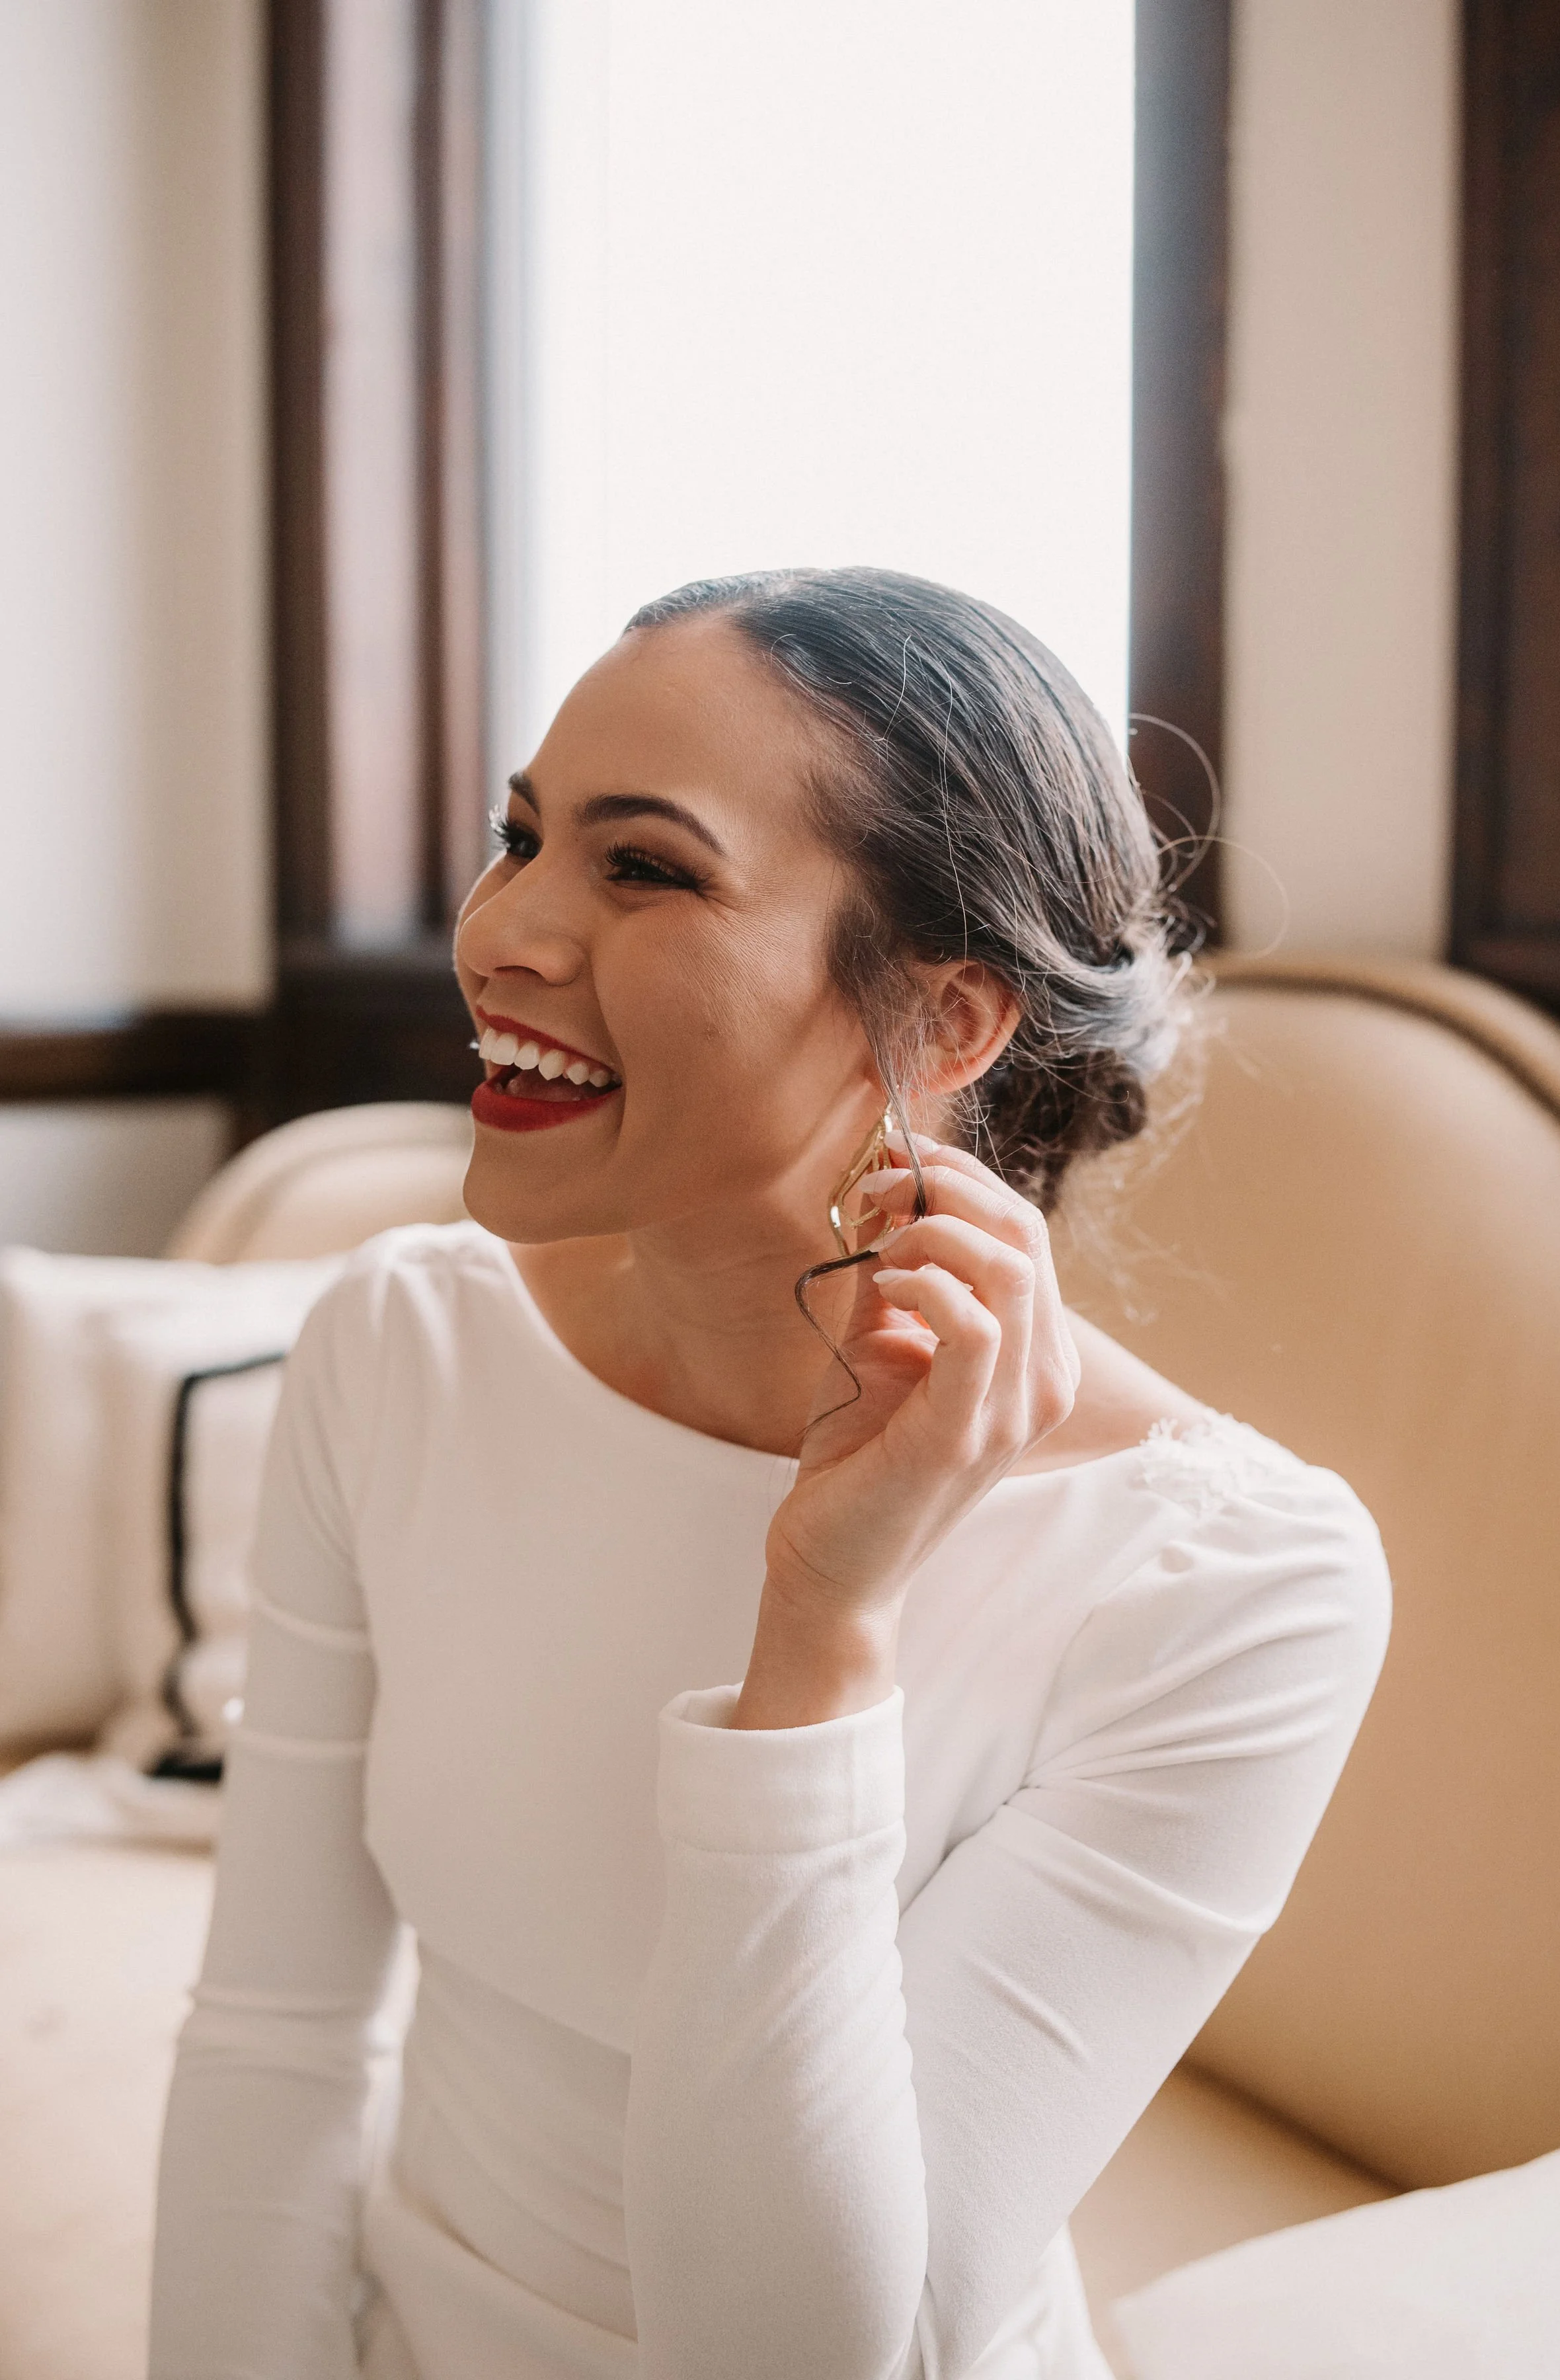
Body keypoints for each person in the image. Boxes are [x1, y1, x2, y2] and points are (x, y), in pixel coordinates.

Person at [148, 568, 1389, 2380]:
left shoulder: (1238, 1587)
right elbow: (272, 2037)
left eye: (644, 867)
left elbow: (813, 2349)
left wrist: (821, 1628)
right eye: (522, 837)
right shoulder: (402, 1342)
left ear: (947, 1023)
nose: (500, 933)